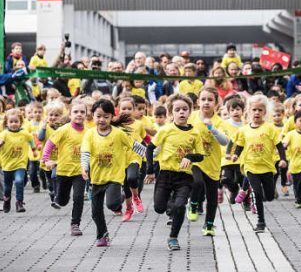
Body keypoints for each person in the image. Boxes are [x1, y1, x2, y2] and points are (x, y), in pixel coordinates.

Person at [81, 99, 146, 247]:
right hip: (96, 178)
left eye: (106, 116)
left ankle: (121, 197)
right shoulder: (90, 134)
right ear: (93, 116)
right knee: (95, 212)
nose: (102, 119)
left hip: (114, 177)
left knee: (112, 203)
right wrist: (84, 167)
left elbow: (135, 146)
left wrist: (152, 156)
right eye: (98, 116)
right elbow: (85, 151)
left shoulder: (118, 134)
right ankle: (102, 235)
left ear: (112, 117)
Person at [145, 94, 205, 251]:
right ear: (171, 113)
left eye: (185, 109)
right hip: (165, 174)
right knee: (159, 207)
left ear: (190, 112)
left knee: (180, 206)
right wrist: (150, 170)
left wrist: (189, 157)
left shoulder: (195, 133)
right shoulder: (166, 130)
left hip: (184, 176)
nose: (181, 112)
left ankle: (173, 238)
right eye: (177, 110)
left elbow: (200, 155)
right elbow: (150, 149)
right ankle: (171, 202)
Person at [231, 95, 288, 233]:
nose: (257, 112)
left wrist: (282, 159)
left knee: (269, 196)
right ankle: (260, 222)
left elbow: (279, 146)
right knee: (257, 192)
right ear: (249, 111)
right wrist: (235, 155)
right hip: (250, 166)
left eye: (260, 110)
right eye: (254, 109)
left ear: (264, 112)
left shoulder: (270, 128)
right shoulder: (244, 130)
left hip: (267, 167)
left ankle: (257, 195)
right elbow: (239, 145)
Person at [43, 102, 89, 236]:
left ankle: (75, 224)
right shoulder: (63, 130)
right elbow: (49, 144)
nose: (79, 114)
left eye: (82, 112)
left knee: (78, 196)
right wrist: (47, 160)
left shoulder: (89, 132)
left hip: (80, 171)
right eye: (76, 112)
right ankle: (60, 198)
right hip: (63, 170)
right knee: (63, 200)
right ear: (70, 115)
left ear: (86, 114)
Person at [187, 87, 229, 236]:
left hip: (212, 163)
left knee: (212, 197)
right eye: (203, 99)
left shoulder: (220, 122)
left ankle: (209, 225)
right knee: (197, 182)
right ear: (198, 102)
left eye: (210, 100)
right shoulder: (191, 116)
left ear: (216, 103)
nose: (206, 102)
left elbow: (224, 142)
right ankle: (193, 205)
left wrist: (212, 128)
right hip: (195, 160)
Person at [0, 108, 35, 213]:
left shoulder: (24, 133)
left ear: (20, 122)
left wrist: (34, 149)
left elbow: (31, 139)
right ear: (7, 123)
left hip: (20, 163)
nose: (14, 124)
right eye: (11, 122)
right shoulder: (3, 134)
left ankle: (19, 203)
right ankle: (7, 200)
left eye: (16, 121)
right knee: (7, 186)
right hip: (7, 165)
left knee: (19, 181)